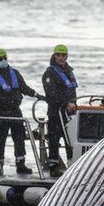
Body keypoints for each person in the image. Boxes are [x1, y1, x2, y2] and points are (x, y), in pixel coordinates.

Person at [0, 48, 41, 175]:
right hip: (1, 113)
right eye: (0, 59)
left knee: (19, 138)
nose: (3, 60)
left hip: (15, 111)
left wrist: (36, 94)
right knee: (0, 140)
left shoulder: (15, 73)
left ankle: (21, 164)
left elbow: (24, 88)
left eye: (4, 58)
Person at [42, 44, 77, 177]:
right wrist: (66, 103)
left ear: (66, 56)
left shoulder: (69, 71)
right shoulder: (49, 73)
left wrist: (73, 103)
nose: (61, 58)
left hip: (69, 112)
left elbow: (73, 90)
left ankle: (72, 164)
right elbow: (51, 93)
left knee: (71, 139)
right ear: (54, 56)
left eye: (63, 55)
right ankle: (53, 166)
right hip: (56, 112)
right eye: (58, 55)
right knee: (54, 139)